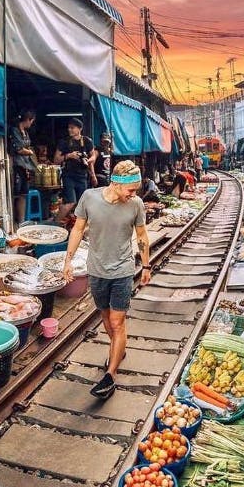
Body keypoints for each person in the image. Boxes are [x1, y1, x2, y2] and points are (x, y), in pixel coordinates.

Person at [63, 160, 151, 400]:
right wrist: (68, 261)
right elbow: (77, 230)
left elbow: (141, 235)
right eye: (131, 189)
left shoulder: (135, 204)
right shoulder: (89, 198)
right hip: (97, 270)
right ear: (116, 183)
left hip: (123, 270)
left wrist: (146, 265)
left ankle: (110, 374)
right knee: (105, 316)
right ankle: (118, 349)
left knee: (117, 321)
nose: (134, 194)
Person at [54, 118, 96, 222]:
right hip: (68, 176)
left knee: (82, 204)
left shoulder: (87, 141)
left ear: (80, 129)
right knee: (70, 203)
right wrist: (69, 156)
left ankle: (77, 227)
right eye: (69, 128)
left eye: (72, 128)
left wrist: (92, 174)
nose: (70, 130)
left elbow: (93, 156)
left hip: (82, 177)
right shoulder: (64, 142)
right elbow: (56, 160)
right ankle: (55, 224)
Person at [10, 109, 37, 224]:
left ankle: (21, 221)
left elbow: (26, 147)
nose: (31, 124)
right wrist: (29, 152)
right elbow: (19, 149)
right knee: (15, 194)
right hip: (17, 165)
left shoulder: (25, 132)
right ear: (27, 120)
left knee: (23, 194)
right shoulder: (15, 131)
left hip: (25, 166)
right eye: (31, 121)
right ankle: (13, 221)